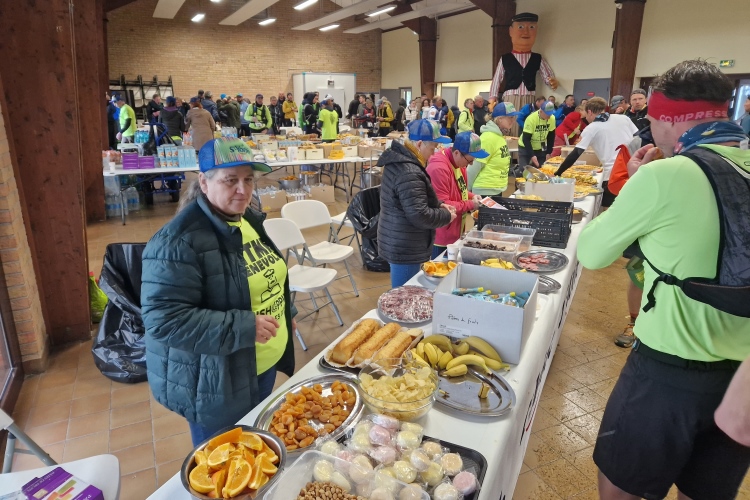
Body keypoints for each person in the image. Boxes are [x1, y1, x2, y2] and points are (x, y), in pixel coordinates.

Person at [578, 59, 750, 500]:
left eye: (653, 120)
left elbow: (592, 253)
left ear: (670, 119)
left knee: (621, 489)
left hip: (669, 371)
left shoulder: (664, 174)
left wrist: (634, 187)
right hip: (741, 381)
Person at [142, 137, 297, 446]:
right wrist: (245, 327)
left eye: (248, 179)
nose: (243, 190)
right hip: (215, 381)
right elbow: (164, 321)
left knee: (255, 449)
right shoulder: (176, 242)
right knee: (223, 460)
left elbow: (269, 273)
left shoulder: (246, 218)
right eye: (230, 180)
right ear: (204, 182)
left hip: (259, 364)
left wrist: (286, 311)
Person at [378, 120, 455, 287]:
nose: (434, 154)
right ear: (420, 144)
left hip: (401, 238)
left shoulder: (404, 162)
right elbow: (419, 215)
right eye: (433, 148)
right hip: (406, 245)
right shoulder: (409, 171)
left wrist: (439, 205)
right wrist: (446, 216)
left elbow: (414, 199)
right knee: (405, 294)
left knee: (405, 291)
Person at [555, 97, 638, 207]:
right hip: (634, 169)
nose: (585, 118)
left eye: (586, 114)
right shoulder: (623, 118)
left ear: (589, 112)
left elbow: (576, 154)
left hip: (614, 174)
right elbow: (638, 138)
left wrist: (558, 173)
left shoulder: (592, 128)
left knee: (609, 208)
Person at [489, 12, 558, 135]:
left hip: (529, 96)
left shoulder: (537, 58)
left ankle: (525, 145)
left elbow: (547, 75)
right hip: (511, 96)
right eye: (520, 27)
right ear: (511, 31)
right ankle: (510, 144)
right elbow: (497, 79)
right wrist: (492, 97)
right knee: (510, 122)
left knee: (527, 123)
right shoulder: (505, 58)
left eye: (531, 27)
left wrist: (551, 81)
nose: (526, 32)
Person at [426, 131, 487, 257]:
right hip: (442, 234)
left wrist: (472, 196)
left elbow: (460, 189)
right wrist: (471, 204)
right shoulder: (438, 168)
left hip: (456, 229)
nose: (471, 164)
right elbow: (443, 204)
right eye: (469, 160)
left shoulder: (459, 163)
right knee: (442, 265)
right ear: (457, 153)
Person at [468, 102, 521, 196]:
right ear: (500, 119)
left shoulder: (498, 136)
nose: (513, 120)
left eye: (514, 117)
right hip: (484, 191)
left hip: (495, 189)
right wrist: (466, 193)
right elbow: (473, 167)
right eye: (510, 117)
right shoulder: (488, 138)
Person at [518, 100, 556, 168]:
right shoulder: (531, 119)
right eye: (547, 114)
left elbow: (551, 136)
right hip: (526, 146)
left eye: (551, 114)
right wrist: (532, 155)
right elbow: (526, 139)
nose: (549, 116)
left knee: (540, 169)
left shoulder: (552, 118)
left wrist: (548, 152)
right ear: (541, 111)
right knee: (524, 169)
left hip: (541, 146)